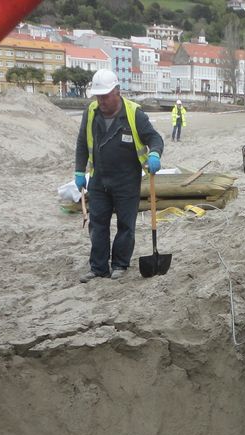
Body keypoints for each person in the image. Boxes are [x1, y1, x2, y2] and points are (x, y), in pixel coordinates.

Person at [74, 69, 164, 282]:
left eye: (105, 96)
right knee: (98, 225)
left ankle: (120, 264)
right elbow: (81, 143)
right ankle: (98, 268)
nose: (101, 100)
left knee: (125, 225)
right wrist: (79, 170)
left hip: (126, 180)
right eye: (98, 96)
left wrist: (154, 154)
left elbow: (155, 137)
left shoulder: (134, 114)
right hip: (99, 179)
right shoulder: (91, 112)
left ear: (117, 91)